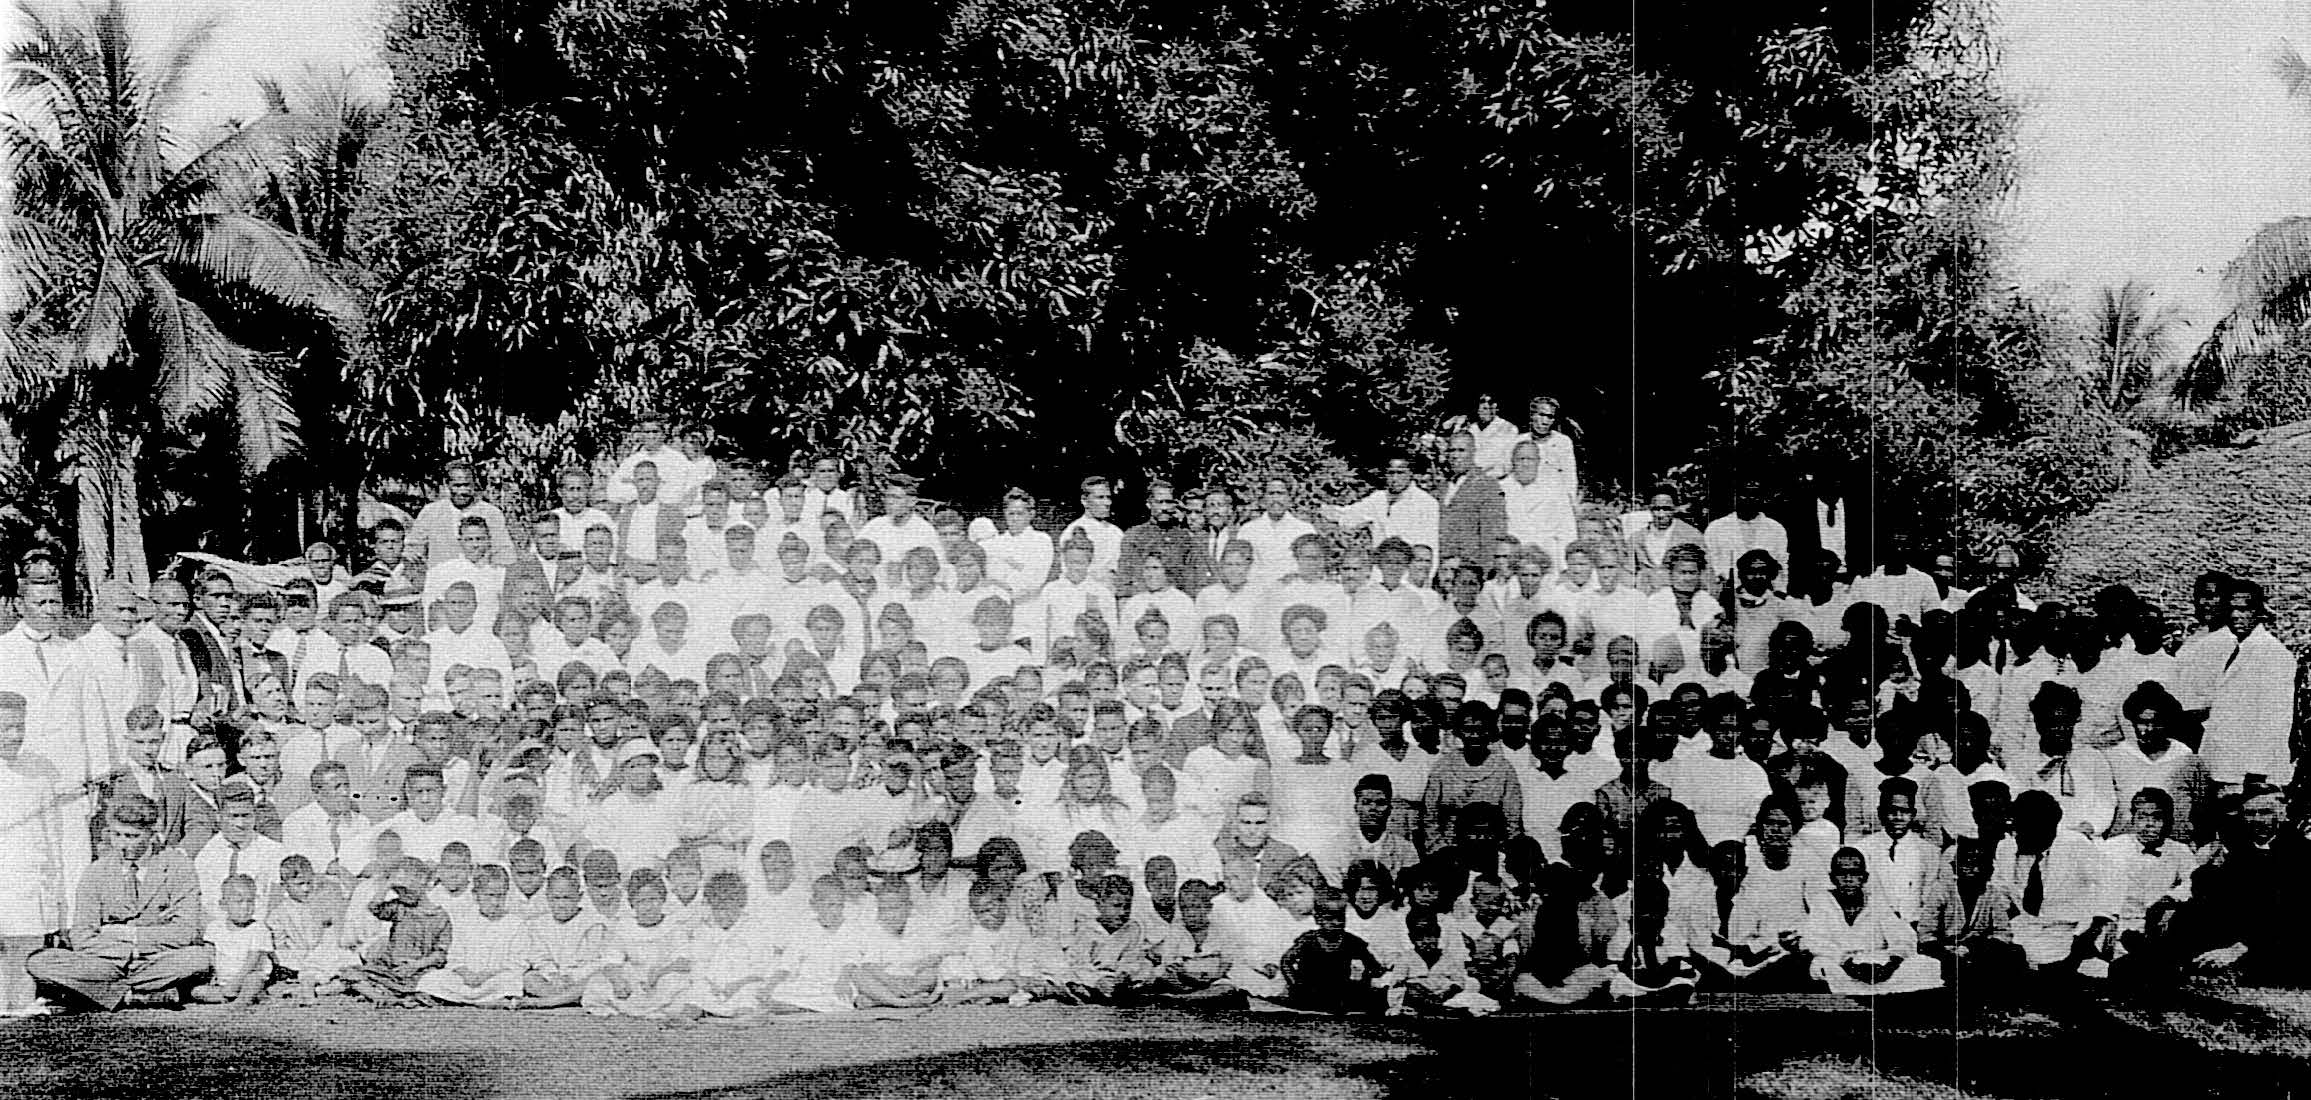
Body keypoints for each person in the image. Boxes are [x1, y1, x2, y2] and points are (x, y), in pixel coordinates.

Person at [28, 793, 214, 1012]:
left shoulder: (177, 866)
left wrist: (122, 933)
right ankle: (136, 996)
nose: (121, 844)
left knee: (198, 958)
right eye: (116, 835)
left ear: (152, 834)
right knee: (39, 962)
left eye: (131, 836)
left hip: (157, 960)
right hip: (105, 963)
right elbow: (81, 936)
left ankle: (94, 993)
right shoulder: (96, 871)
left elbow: (185, 932)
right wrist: (136, 944)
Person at [1801, 847, 1941, 996]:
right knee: (1820, 965)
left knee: (1927, 964)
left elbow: (1904, 937)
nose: (1848, 879)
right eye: (1842, 873)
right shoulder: (1822, 901)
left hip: (1878, 963)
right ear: (1832, 878)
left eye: (1855, 873)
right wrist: (1848, 964)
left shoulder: (1877, 901)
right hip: (1841, 965)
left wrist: (1891, 963)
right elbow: (1816, 941)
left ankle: (1870, 992)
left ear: (1865, 877)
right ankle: (1878, 993)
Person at [2201, 579, 2294, 797]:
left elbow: (2275, 719)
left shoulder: (2273, 654)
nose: (2235, 616)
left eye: (2244, 610)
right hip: (2223, 767)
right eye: (2231, 609)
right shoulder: (2232, 650)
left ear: (2259, 612)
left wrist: (2256, 774)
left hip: (2247, 775)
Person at [2004, 790, 2115, 973]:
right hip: (2024, 931)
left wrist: (2085, 937)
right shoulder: (2008, 846)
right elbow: (2001, 894)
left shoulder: (2076, 845)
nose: (2017, 835)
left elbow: (2110, 890)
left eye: (2025, 829)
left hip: (2069, 932)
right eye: (2016, 827)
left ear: (2049, 828)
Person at [1916, 838, 2025, 1007]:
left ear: (1989, 869)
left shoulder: (1992, 894)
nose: (1972, 870)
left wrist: (1973, 948)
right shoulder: (1941, 891)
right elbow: (1926, 932)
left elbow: (2003, 932)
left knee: (2015, 953)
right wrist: (1947, 952)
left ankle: (2001, 1000)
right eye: (1966, 864)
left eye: (1979, 864)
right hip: (1945, 949)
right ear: (1955, 866)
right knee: (1952, 967)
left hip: (1978, 948)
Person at [346, 856, 453, 1007]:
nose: (402, 895)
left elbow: (440, 954)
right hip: (392, 968)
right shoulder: (399, 908)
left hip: (420, 969)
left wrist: (416, 965)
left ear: (423, 883)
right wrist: (387, 885)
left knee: (433, 982)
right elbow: (374, 908)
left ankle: (388, 993)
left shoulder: (440, 917)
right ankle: (384, 996)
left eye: (406, 890)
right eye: (398, 891)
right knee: (352, 974)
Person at [1277, 884, 1386, 1013]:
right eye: (1329, 919)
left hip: (1339, 992)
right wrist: (1295, 985)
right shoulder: (1309, 939)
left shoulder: (1351, 941)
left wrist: (1365, 978)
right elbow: (1286, 961)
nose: (1336, 923)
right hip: (1309, 992)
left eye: (1340, 918)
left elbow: (1374, 967)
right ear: (1318, 919)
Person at [1325, 456, 1440, 561]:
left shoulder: (1426, 503)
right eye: (1391, 473)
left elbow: (1431, 544)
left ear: (1411, 474)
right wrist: (1321, 509)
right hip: (1380, 568)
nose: (1395, 478)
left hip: (1409, 570)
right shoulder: (1378, 499)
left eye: (1400, 473)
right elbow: (1348, 516)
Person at [189, 874, 275, 1005]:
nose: (245, 907)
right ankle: (227, 996)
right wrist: (213, 975)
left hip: (247, 975)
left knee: (254, 980)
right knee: (197, 991)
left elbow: (252, 961)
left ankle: (242, 1000)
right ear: (223, 904)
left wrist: (237, 982)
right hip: (223, 981)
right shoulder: (215, 927)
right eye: (239, 902)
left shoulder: (259, 928)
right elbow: (210, 954)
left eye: (250, 901)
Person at [408, 463, 514, 567]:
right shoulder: (431, 512)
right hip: (441, 579)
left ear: (474, 484)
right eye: (457, 485)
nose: (462, 491)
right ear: (447, 484)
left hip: (480, 578)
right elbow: (413, 549)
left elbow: (504, 552)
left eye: (466, 485)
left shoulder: (491, 513)